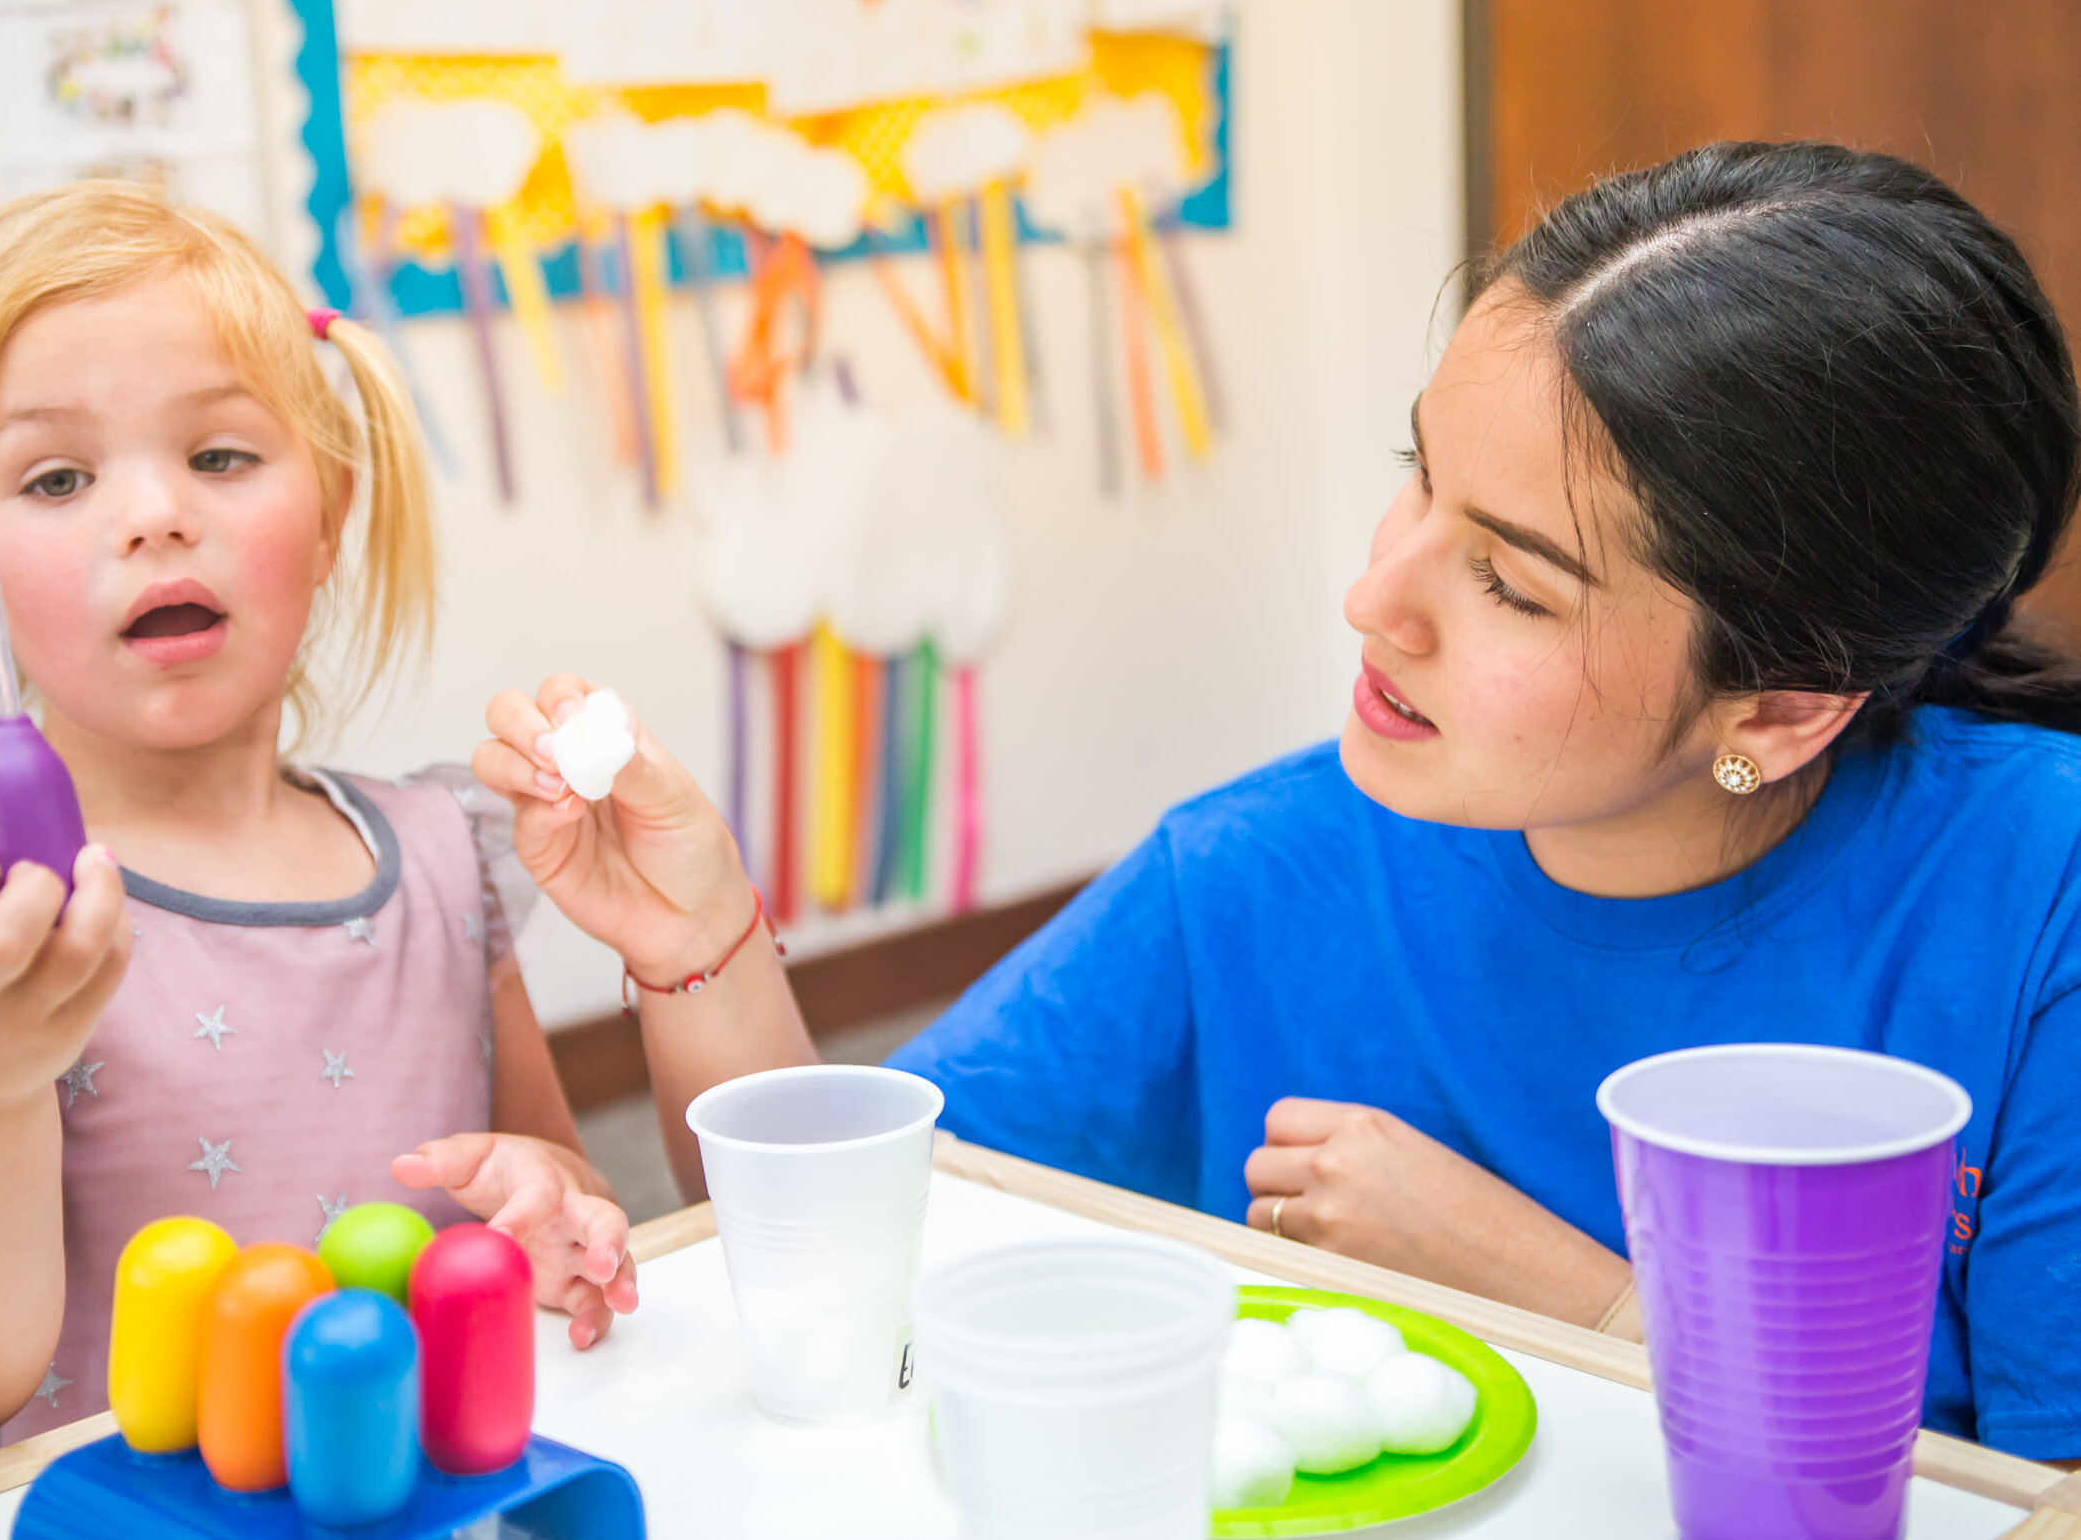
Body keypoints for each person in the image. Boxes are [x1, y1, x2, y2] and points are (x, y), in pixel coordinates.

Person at [491, 143, 2081, 1462]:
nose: (1372, 595)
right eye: (1420, 477)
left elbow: (2029, 1486)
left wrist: (1552, 1286)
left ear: (1782, 704)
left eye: (1512, 585)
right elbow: (852, 1254)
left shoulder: (2039, 889)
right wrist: (703, 945)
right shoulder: (1253, 869)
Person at [0, 184, 806, 1448]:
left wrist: (549, 1207)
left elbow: (568, 1186)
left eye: (220, 457)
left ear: (332, 511)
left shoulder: (437, 854)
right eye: (58, 476)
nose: (154, 514)